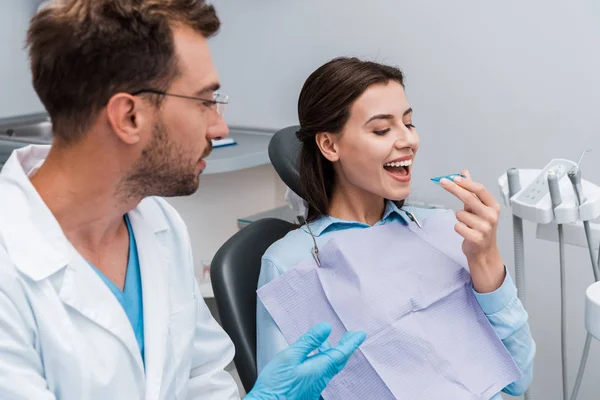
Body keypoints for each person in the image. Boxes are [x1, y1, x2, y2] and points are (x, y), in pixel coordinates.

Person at [0, 1, 367, 399]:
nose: (219, 126)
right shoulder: (10, 274)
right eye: (204, 101)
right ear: (129, 117)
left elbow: (204, 382)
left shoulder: (158, 223)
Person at [256, 57, 536, 398]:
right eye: (382, 129)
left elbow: (518, 378)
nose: (408, 141)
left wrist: (487, 261)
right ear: (330, 145)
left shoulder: (444, 229)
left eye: (409, 123)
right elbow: (286, 392)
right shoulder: (289, 263)